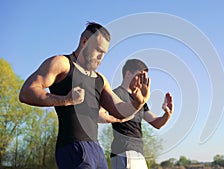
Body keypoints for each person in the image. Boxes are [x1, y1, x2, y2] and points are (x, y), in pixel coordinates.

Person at [19, 22, 150, 169]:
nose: (101, 57)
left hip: (97, 151)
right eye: (98, 50)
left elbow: (119, 110)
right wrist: (65, 100)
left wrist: (138, 103)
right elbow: (27, 92)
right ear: (84, 42)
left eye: (104, 53)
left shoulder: (100, 79)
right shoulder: (62, 63)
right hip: (72, 147)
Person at [104, 59, 174, 169]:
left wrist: (167, 114)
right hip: (124, 151)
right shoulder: (115, 94)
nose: (142, 81)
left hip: (138, 152)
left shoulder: (139, 100)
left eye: (144, 77)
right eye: (140, 76)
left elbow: (157, 123)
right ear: (128, 74)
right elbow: (113, 113)